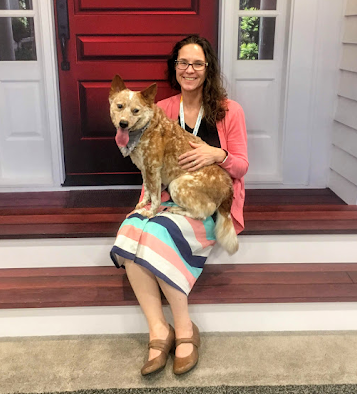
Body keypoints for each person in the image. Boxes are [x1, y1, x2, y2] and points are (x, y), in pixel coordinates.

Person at [110, 35, 249, 376]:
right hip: (170, 196)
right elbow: (152, 162)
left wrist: (219, 154)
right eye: (183, 63)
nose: (190, 70)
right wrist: (146, 203)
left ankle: (185, 328)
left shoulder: (230, 110)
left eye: (197, 63)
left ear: (208, 68)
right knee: (131, 230)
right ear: (175, 68)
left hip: (207, 200)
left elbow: (242, 165)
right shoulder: (161, 107)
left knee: (157, 232)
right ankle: (159, 329)